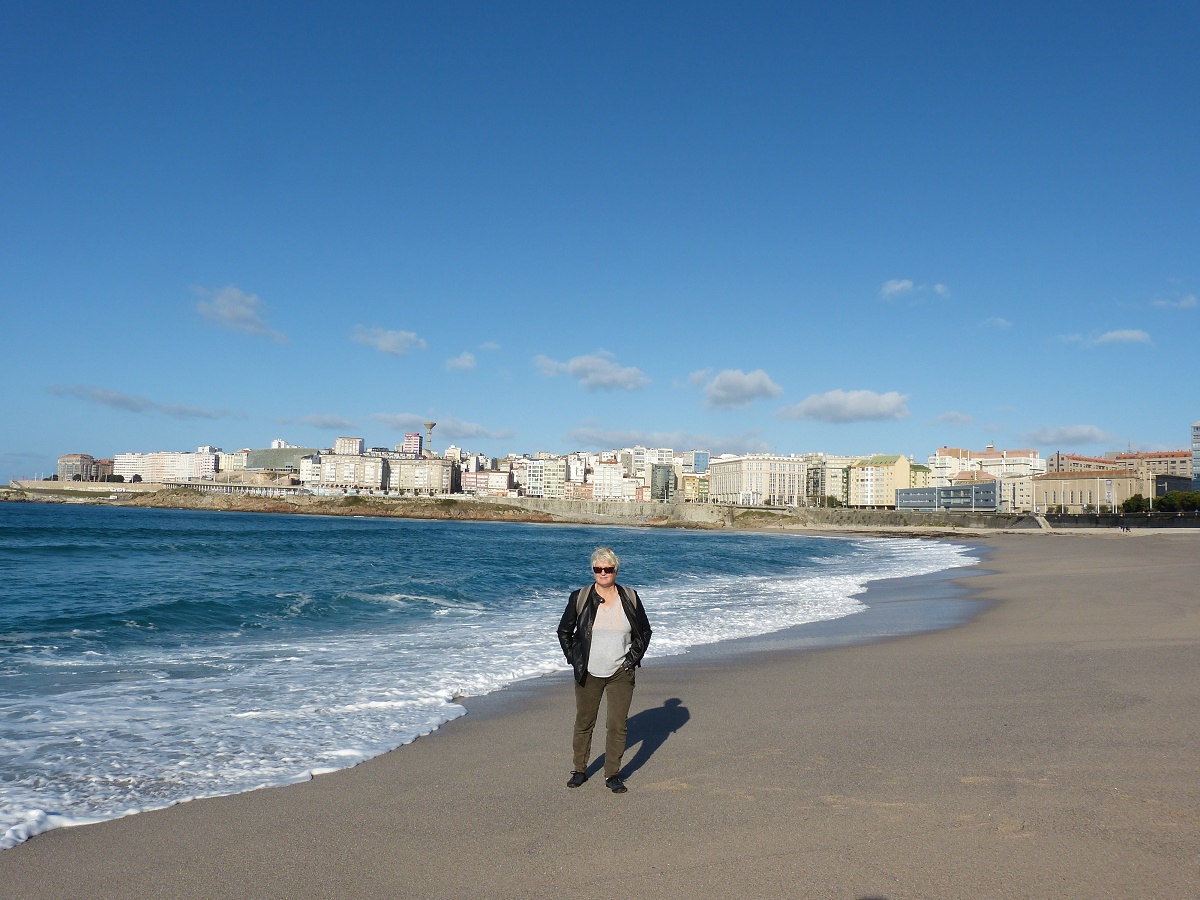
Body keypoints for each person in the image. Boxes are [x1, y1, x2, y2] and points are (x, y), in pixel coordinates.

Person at [557, 546, 652, 794]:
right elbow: (564, 631)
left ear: (615, 570)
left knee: (617, 725)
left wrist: (631, 660)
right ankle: (579, 770)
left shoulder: (629, 597)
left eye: (607, 569)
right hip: (588, 672)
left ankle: (612, 774)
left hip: (621, 672)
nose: (602, 573)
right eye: (597, 569)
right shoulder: (580, 597)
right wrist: (575, 658)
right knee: (584, 722)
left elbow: (644, 632)